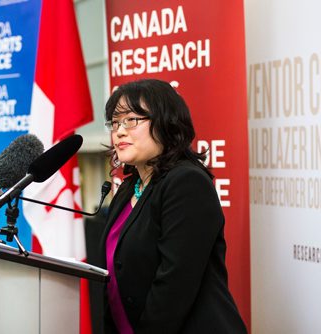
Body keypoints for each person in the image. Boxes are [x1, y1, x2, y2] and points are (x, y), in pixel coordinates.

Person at [99, 79, 247, 333]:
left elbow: (174, 287)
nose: (120, 131)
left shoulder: (187, 183)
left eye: (132, 120)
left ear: (166, 123)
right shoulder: (127, 189)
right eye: (115, 123)